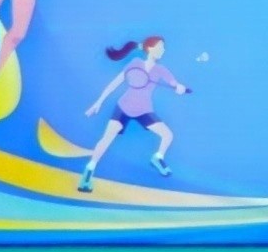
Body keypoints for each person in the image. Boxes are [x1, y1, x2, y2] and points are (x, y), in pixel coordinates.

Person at [77, 35, 189, 190]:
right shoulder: (135, 63)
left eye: (163, 47)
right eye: (160, 47)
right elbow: (115, 83)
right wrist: (98, 103)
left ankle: (157, 158)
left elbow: (173, 83)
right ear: (150, 48)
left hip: (144, 110)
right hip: (123, 108)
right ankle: (89, 171)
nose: (163, 50)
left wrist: (179, 88)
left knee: (168, 135)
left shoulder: (161, 70)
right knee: (106, 139)